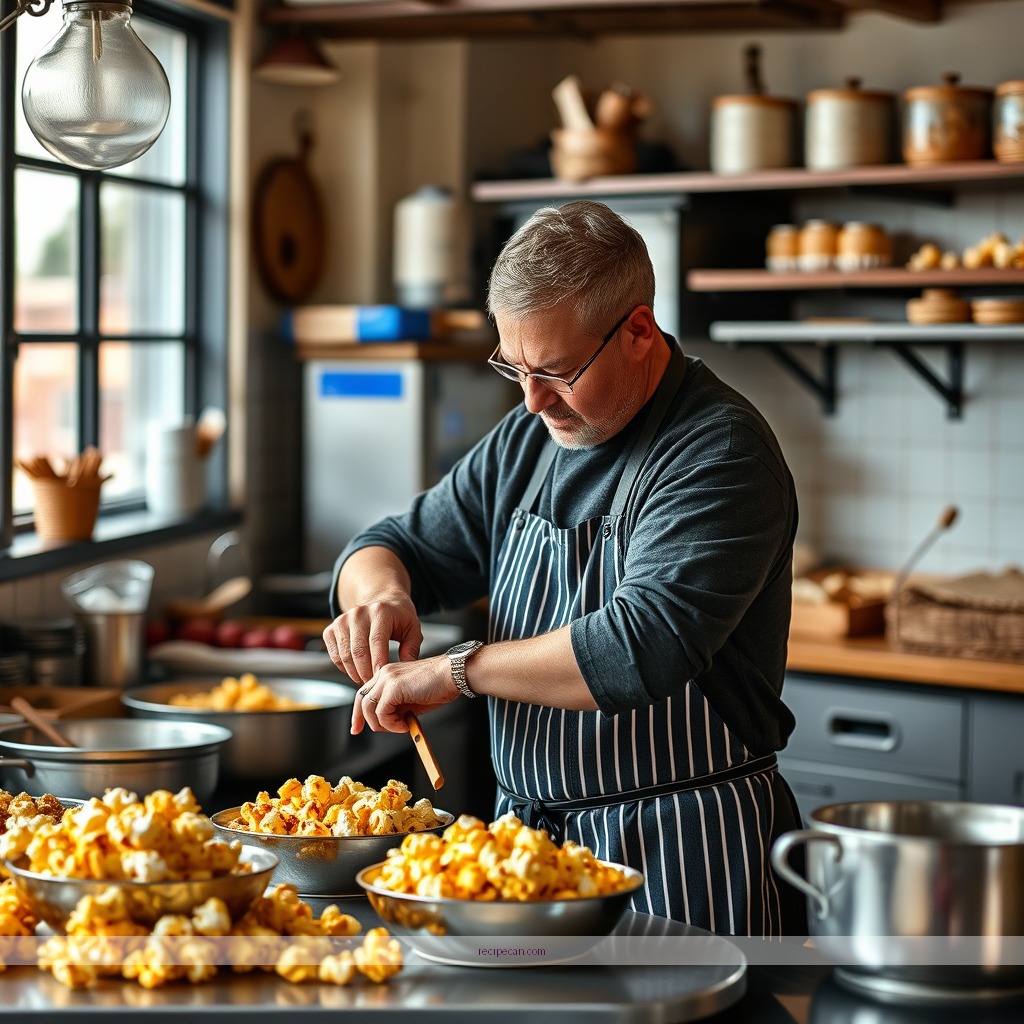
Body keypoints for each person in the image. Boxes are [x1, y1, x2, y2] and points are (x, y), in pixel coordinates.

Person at [323, 199, 806, 936]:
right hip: (526, 855)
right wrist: (380, 595)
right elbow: (388, 543)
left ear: (638, 330)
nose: (530, 398)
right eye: (512, 366)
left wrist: (454, 670)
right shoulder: (530, 439)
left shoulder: (718, 452)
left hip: (681, 850)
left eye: (555, 370)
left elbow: (640, 647)